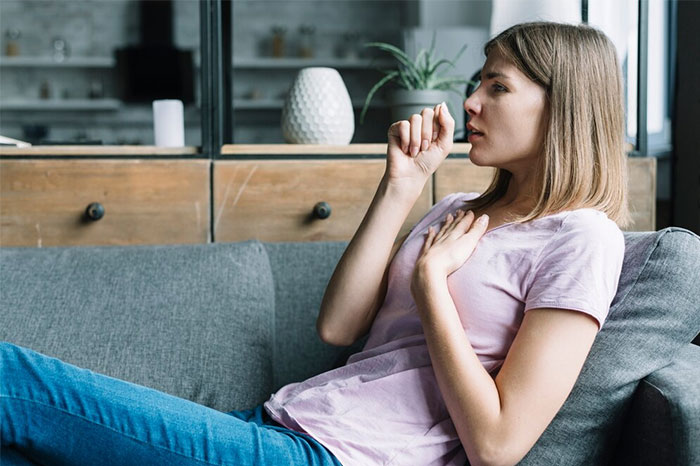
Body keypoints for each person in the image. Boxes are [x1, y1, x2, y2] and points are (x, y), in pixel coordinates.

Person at [1, 21, 629, 466]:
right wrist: (400, 184)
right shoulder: (455, 209)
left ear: (563, 106)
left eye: (498, 86)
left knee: (12, 377)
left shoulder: (583, 238)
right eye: (478, 82)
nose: (470, 101)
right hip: (285, 422)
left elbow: (496, 446)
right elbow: (338, 326)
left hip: (344, 455)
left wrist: (431, 285)